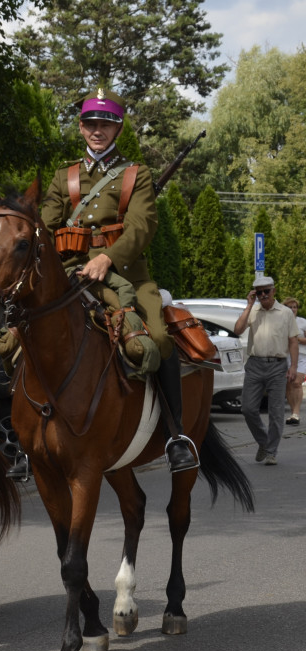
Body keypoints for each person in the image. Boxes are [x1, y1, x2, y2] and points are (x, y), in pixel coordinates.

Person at [32, 88, 198, 478]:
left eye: (105, 124)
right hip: (71, 274)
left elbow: (142, 226)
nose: (97, 130)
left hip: (125, 274)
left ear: (118, 128)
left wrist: (108, 257)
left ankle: (176, 435)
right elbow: (45, 227)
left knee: (157, 337)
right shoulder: (64, 177)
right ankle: (28, 434)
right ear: (80, 127)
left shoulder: (135, 175)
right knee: (19, 335)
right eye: (90, 123)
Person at [234, 277, 299, 465]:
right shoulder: (253, 310)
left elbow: (293, 341)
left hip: (278, 366)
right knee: (247, 408)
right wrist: (248, 306)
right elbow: (238, 330)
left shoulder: (285, 313)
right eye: (259, 292)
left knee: (276, 411)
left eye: (266, 291)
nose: (263, 295)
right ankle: (264, 441)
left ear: (274, 291)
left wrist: (293, 366)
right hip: (255, 364)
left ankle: (271, 451)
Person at [281, 297, 306, 425]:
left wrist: (296, 339)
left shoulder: (302, 322)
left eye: (295, 307)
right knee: (289, 384)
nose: (293, 309)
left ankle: (296, 413)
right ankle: (293, 413)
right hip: (285, 356)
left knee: (297, 383)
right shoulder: (281, 322)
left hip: (301, 356)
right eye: (290, 307)